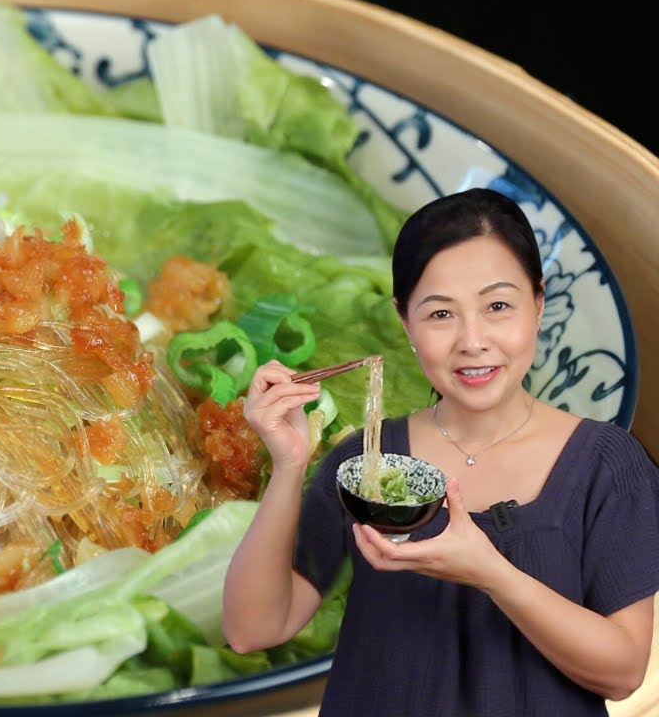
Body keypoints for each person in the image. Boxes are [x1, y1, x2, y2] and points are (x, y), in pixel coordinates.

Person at [221, 187, 659, 716]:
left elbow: (623, 671)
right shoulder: (369, 463)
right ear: (405, 321)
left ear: (538, 305)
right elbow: (252, 629)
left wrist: (490, 572)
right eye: (440, 315)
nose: (472, 341)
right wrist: (290, 464)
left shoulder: (607, 464)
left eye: (498, 306)